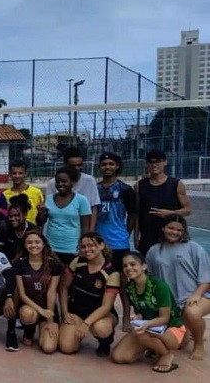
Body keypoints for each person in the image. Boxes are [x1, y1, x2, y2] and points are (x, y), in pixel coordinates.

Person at [146, 215, 210, 361]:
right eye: (171, 228)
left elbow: (206, 279)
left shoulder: (194, 248)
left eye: (179, 230)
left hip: (200, 296)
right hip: (172, 302)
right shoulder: (154, 251)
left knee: (192, 312)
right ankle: (186, 329)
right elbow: (151, 279)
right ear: (163, 228)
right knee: (177, 344)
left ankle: (199, 344)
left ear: (183, 232)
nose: (174, 232)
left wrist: (196, 295)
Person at [111, 252, 185, 373]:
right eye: (125, 266)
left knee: (142, 334)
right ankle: (150, 347)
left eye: (132, 264)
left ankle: (165, 354)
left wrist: (146, 325)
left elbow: (164, 318)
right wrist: (137, 318)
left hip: (171, 327)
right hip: (149, 328)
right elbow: (140, 311)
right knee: (119, 357)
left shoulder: (159, 286)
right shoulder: (130, 287)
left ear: (144, 266)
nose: (128, 268)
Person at [58, 232, 119, 356]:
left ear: (102, 245)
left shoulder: (111, 273)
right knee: (67, 348)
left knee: (101, 328)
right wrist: (65, 313)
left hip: (101, 314)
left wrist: (86, 324)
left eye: (91, 245)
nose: (87, 249)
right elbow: (64, 288)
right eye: (83, 246)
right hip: (76, 312)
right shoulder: (77, 262)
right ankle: (76, 335)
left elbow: (106, 306)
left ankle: (105, 342)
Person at [95, 152, 135, 330]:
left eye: (111, 163)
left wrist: (125, 233)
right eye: (104, 164)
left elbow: (133, 215)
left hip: (119, 244)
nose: (107, 167)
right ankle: (105, 314)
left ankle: (126, 316)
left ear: (117, 166)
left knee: (123, 284)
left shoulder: (126, 190)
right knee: (100, 281)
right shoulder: (94, 189)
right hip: (99, 245)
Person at [135, 149, 191, 256]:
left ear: (165, 162)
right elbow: (137, 214)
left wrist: (171, 213)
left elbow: (187, 210)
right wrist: (136, 237)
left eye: (158, 162)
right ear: (147, 164)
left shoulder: (176, 184)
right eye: (151, 162)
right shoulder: (139, 185)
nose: (154, 165)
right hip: (147, 236)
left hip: (170, 237)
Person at [13, 231, 62, 353]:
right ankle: (29, 331)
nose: (33, 245)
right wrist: (41, 311)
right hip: (30, 307)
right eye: (29, 242)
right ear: (24, 245)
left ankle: (43, 328)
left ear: (44, 244)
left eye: (37, 242)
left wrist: (49, 319)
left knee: (48, 348)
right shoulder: (20, 263)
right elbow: (22, 294)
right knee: (27, 314)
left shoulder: (54, 264)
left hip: (48, 309)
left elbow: (51, 293)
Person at [38, 167, 91, 266]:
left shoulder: (82, 200)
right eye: (58, 182)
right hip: (51, 248)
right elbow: (40, 222)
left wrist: (83, 248)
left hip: (72, 249)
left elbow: (86, 227)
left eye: (64, 181)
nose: (60, 184)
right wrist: (41, 212)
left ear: (72, 182)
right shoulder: (48, 199)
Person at [45, 147, 100, 230]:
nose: (77, 168)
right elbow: (48, 210)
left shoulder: (90, 181)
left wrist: (90, 231)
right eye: (73, 166)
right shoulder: (53, 183)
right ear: (65, 164)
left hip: (82, 229)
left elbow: (94, 207)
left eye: (79, 165)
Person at [3, 160, 44, 225]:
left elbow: (41, 217)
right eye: (14, 173)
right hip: (12, 231)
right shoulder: (4, 195)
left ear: (25, 174)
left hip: (31, 230)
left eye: (20, 173)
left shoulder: (36, 192)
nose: (17, 176)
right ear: (10, 174)